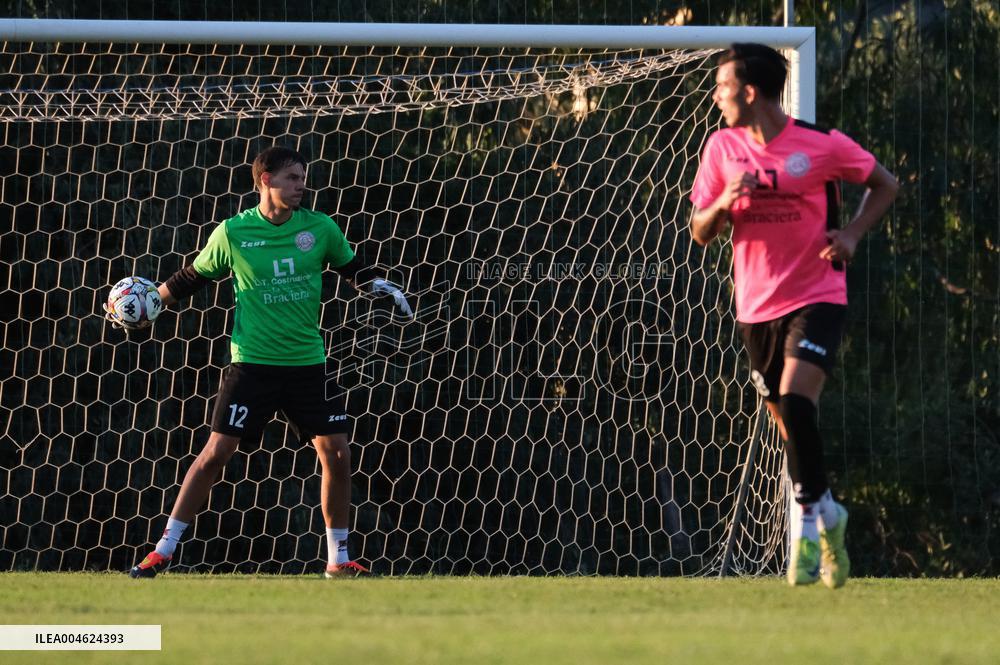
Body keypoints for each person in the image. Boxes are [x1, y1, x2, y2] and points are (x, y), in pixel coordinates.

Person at [113, 146, 414, 578]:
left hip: (307, 364)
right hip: (252, 364)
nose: (301, 186)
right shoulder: (233, 233)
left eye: (303, 177)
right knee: (216, 454)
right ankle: (163, 549)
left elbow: (355, 270)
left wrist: (381, 285)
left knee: (338, 454)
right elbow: (190, 278)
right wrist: (148, 306)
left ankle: (339, 560)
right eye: (292, 178)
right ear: (265, 180)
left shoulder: (320, 228)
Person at [688, 44, 899, 587]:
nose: (716, 98)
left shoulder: (821, 145)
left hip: (818, 295)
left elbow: (885, 183)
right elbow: (700, 229)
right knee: (790, 426)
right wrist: (724, 201)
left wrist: (850, 234)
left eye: (722, 86)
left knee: (797, 404)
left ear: (750, 91)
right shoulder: (721, 149)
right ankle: (830, 512)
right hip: (755, 308)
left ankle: (806, 534)